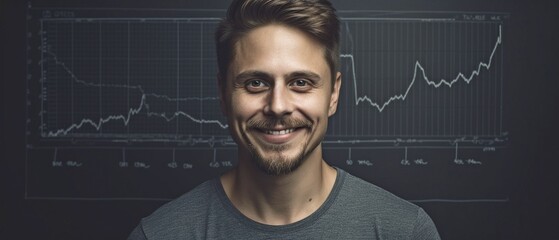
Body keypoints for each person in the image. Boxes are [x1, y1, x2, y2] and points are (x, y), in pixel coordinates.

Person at [129, 0, 441, 239]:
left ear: (333, 94)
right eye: (255, 83)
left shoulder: (404, 231)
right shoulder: (160, 234)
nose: (278, 106)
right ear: (223, 94)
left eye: (301, 83)